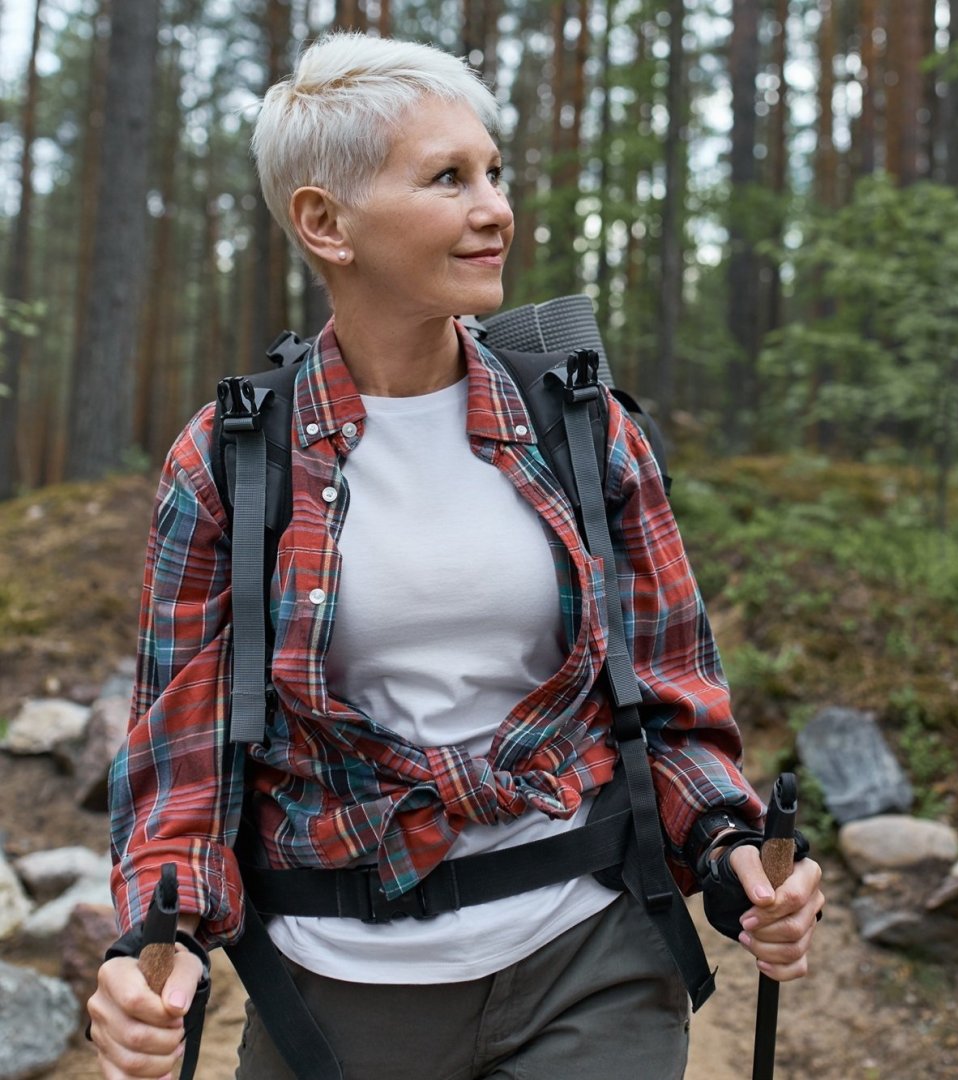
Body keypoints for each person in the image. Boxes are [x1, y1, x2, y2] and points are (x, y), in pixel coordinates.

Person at [87, 31, 823, 1080]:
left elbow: (668, 697)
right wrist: (157, 940)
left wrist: (731, 850)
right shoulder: (233, 462)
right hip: (335, 996)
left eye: (494, 172)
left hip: (595, 959)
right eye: (448, 179)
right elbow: (182, 763)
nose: (495, 209)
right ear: (324, 222)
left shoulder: (581, 425)